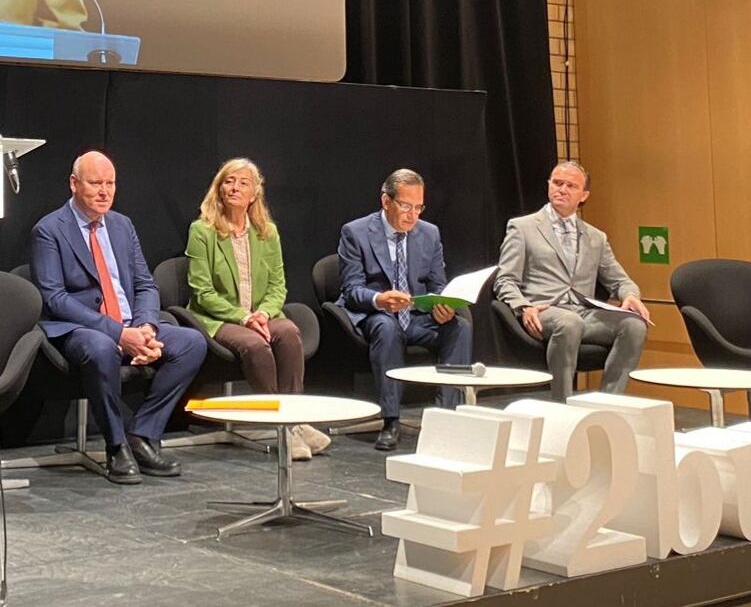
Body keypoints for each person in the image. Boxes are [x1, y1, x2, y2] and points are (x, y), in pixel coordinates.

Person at [30, 151, 207, 485]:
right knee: (101, 348)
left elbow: (144, 284)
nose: (104, 191)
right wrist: (118, 334)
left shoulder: (122, 225)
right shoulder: (49, 230)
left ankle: (143, 434)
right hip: (81, 327)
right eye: (96, 183)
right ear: (74, 184)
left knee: (191, 343)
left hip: (131, 324)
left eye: (110, 183)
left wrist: (146, 327)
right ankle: (116, 447)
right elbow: (55, 298)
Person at [183, 158, 330, 460]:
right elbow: (202, 292)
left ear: (254, 194)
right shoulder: (202, 231)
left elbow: (278, 286)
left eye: (242, 182)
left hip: (260, 314)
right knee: (255, 344)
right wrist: (245, 317)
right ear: (219, 188)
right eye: (228, 181)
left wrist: (262, 313)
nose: (234, 187)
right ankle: (285, 428)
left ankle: (294, 419)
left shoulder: (267, 232)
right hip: (218, 317)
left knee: (288, 331)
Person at [337, 168, 473, 451]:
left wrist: (443, 306)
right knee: (387, 329)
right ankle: (391, 420)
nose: (413, 215)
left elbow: (438, 284)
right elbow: (352, 290)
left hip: (417, 316)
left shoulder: (429, 234)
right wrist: (380, 299)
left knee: (460, 328)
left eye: (419, 207)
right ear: (386, 201)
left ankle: (446, 418)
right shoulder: (356, 232)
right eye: (406, 206)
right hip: (378, 314)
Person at [494, 160, 651, 402]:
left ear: (583, 195)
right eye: (557, 183)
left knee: (634, 325)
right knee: (568, 322)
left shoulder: (596, 237)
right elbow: (504, 280)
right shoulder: (522, 227)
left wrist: (630, 295)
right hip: (543, 311)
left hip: (583, 312)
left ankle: (610, 403)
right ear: (548, 186)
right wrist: (523, 306)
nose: (562, 189)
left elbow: (621, 280)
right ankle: (562, 405)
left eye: (570, 185)